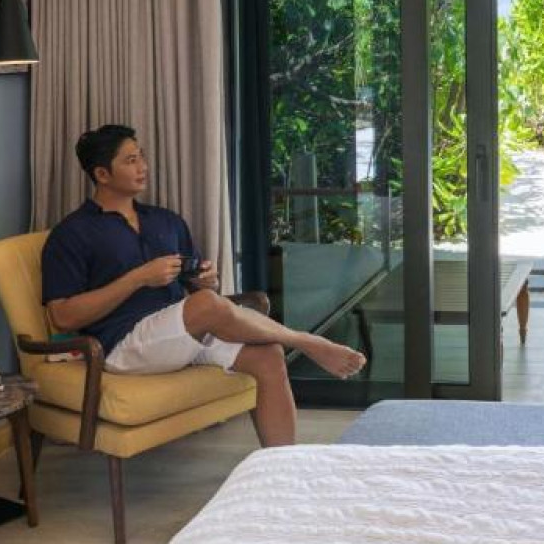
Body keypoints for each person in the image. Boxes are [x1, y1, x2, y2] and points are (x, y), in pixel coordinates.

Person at [41, 124, 366, 448]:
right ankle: (307, 342)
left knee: (268, 355)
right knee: (207, 304)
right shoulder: (72, 234)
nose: (143, 167)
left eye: (141, 157)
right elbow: (63, 317)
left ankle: (282, 465)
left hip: (180, 333)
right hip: (123, 345)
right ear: (102, 174)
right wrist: (138, 278)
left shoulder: (165, 220)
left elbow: (196, 287)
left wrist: (205, 280)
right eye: (130, 161)